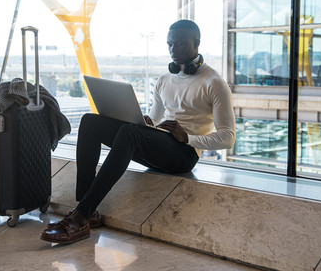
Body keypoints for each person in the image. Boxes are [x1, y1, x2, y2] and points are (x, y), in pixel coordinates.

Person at [40, 20, 236, 244]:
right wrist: (147, 122)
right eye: (169, 44)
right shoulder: (164, 80)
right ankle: (86, 208)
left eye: (180, 44)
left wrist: (188, 137)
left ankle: (81, 217)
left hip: (185, 154)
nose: (173, 50)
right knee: (90, 122)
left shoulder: (214, 82)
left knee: (129, 133)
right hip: (163, 145)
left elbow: (228, 137)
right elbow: (156, 117)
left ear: (196, 43)